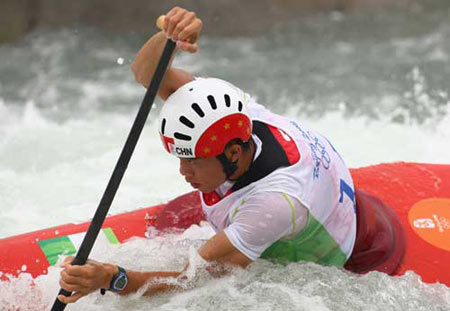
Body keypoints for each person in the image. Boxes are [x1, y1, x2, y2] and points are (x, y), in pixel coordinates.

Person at [57, 6, 357, 304]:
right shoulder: (230, 110)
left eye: (194, 161)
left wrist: (111, 277)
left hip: (316, 257)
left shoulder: (271, 204)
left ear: (233, 152)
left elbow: (187, 283)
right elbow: (148, 74)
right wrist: (169, 37)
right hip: (312, 197)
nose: (183, 172)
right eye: (180, 158)